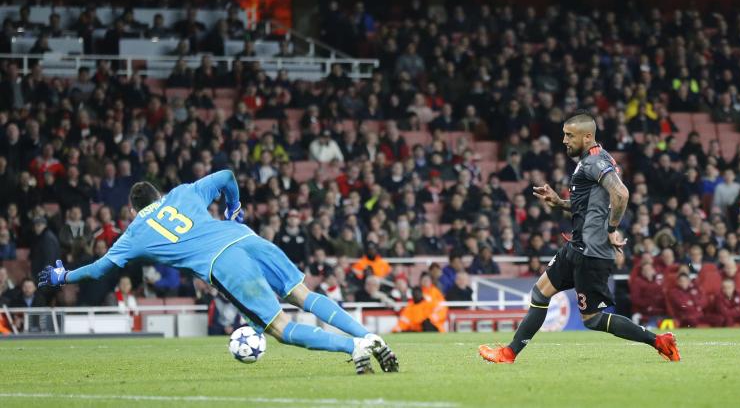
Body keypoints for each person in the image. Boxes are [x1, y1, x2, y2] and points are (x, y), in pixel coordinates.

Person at [39, 170, 398, 374]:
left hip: (223, 263)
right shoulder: (181, 193)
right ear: (159, 194)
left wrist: (64, 277)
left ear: (134, 209)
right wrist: (234, 208)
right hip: (245, 236)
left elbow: (101, 268)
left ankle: (353, 346)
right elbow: (227, 174)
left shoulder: (134, 233)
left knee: (279, 328)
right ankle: (369, 336)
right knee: (302, 294)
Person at [479, 111, 679, 364]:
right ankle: (508, 354)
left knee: (593, 319)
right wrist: (560, 202)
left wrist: (611, 228)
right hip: (577, 245)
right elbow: (588, 206)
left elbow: (622, 194)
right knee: (540, 294)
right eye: (564, 134)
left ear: (587, 137)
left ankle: (658, 341)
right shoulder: (590, 160)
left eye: (569, 135)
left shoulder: (595, 162)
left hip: (591, 252)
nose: (564, 140)